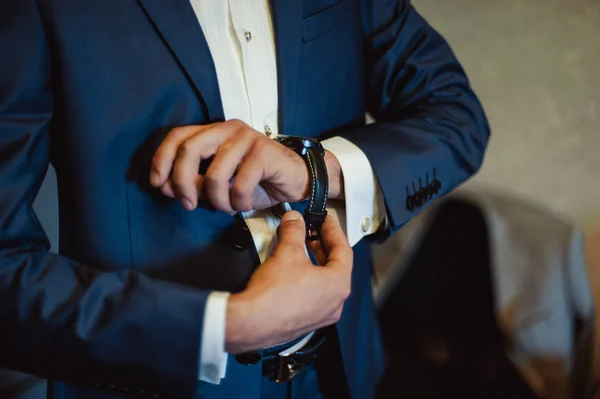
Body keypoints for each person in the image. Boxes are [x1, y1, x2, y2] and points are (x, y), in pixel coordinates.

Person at [0, 0, 489, 398]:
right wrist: (221, 327)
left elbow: (456, 115)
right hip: (158, 382)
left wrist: (313, 170)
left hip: (345, 367)